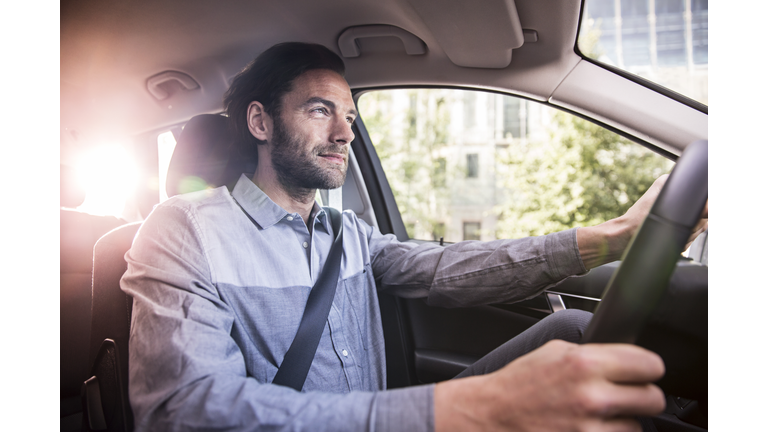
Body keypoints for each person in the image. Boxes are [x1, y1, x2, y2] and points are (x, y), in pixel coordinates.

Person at [121, 42, 707, 431]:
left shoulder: (347, 232)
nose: (344, 133)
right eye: (320, 111)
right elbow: (185, 412)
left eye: (349, 117)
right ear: (260, 121)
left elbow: (450, 268)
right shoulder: (184, 228)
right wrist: (466, 408)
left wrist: (610, 238)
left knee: (574, 333)